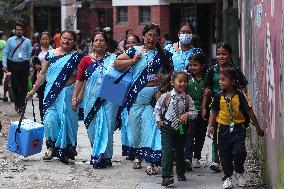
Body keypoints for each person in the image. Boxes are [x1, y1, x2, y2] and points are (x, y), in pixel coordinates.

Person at [114, 23, 172, 175]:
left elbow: (170, 74)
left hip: (152, 100)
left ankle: (152, 161)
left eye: (154, 36)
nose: (151, 38)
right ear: (144, 36)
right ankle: (138, 156)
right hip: (134, 99)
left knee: (151, 129)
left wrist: (162, 82)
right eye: (148, 35)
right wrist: (132, 61)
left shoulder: (162, 55)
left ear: (158, 38)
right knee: (136, 130)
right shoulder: (134, 50)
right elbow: (117, 64)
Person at [27, 30, 83, 163]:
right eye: (64, 38)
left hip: (68, 94)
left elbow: (81, 78)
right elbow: (42, 73)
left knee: (67, 122)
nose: (66, 41)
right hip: (51, 93)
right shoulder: (51, 54)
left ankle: (66, 151)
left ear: (74, 41)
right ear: (59, 39)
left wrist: (79, 95)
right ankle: (52, 147)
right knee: (50, 120)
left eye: (70, 39)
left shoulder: (77, 57)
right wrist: (33, 90)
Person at [207, 67, 264, 189]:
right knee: (224, 155)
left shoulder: (240, 95)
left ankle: (239, 171)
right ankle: (227, 176)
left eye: (224, 80)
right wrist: (210, 126)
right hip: (222, 129)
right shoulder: (218, 96)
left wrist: (258, 128)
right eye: (220, 80)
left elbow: (249, 111)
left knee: (240, 152)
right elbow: (213, 111)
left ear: (232, 82)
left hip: (238, 128)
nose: (220, 82)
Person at [71, 31, 119, 168]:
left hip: (110, 99)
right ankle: (98, 151)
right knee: (92, 128)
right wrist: (75, 97)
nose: (98, 42)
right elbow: (79, 80)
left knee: (108, 127)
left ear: (106, 44)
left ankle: (103, 157)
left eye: (101, 40)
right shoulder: (86, 60)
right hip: (90, 100)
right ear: (92, 43)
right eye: (96, 40)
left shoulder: (114, 59)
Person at [202, 42, 248, 172]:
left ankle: (230, 156)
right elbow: (207, 87)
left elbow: (244, 86)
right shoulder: (212, 70)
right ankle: (217, 160)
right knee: (217, 132)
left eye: (224, 54)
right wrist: (205, 104)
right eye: (218, 54)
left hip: (233, 108)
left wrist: (242, 100)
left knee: (233, 134)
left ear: (230, 55)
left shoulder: (235, 71)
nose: (221, 56)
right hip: (218, 106)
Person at [155, 71, 197, 186]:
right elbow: (157, 108)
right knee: (167, 151)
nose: (182, 84)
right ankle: (167, 176)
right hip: (167, 126)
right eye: (180, 81)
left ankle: (181, 171)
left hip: (180, 128)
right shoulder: (166, 96)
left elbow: (194, 112)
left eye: (185, 81)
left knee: (180, 151)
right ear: (172, 82)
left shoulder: (187, 99)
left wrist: (187, 115)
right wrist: (158, 120)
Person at [184, 48, 208, 171]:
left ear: (203, 66)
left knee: (200, 135)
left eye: (195, 65)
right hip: (190, 112)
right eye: (191, 65)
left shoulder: (206, 79)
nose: (192, 67)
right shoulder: (187, 79)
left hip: (203, 113)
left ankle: (196, 157)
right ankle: (187, 158)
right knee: (189, 134)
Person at [2, 22, 32, 113]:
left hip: (24, 64)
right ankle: (17, 102)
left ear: (23, 31)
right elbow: (5, 53)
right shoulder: (10, 40)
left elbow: (30, 53)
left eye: (20, 30)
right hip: (13, 65)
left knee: (24, 86)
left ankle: (21, 105)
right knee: (15, 85)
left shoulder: (27, 41)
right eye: (17, 29)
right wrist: (5, 65)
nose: (19, 31)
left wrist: (29, 66)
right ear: (15, 30)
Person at [31, 32, 53, 121]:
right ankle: (43, 118)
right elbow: (32, 59)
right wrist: (36, 65)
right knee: (41, 99)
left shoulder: (53, 50)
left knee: (50, 98)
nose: (45, 41)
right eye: (43, 39)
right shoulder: (37, 49)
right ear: (40, 40)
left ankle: (50, 118)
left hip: (51, 78)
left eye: (46, 39)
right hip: (40, 78)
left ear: (49, 39)